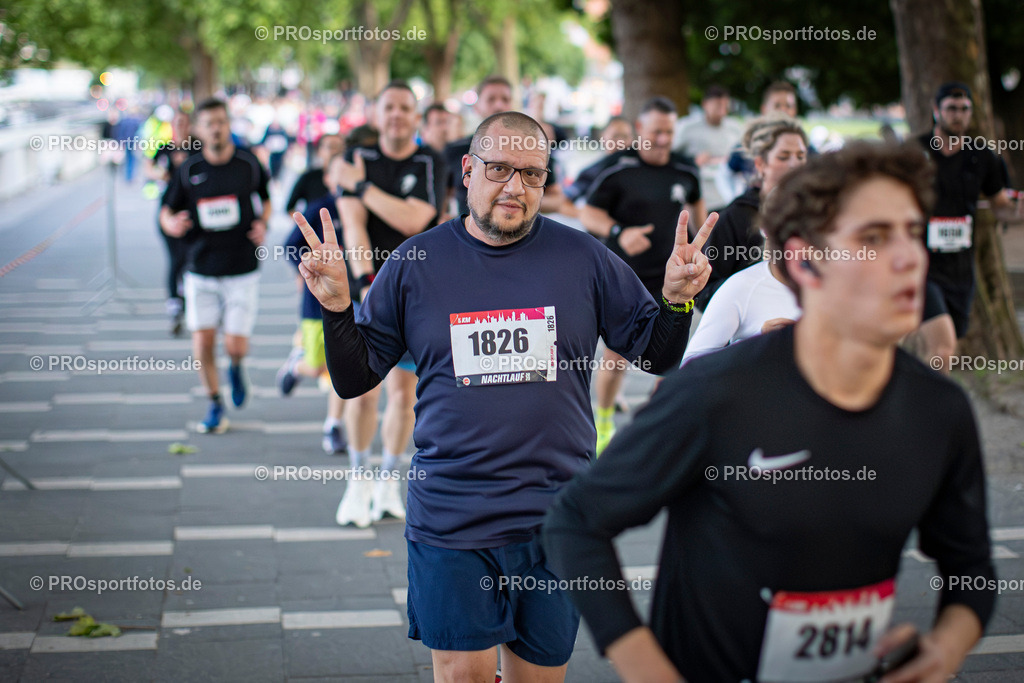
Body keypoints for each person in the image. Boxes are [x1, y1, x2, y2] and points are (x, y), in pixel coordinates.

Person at [543, 142, 996, 683]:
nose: (907, 257)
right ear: (804, 260)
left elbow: (971, 568)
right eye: (872, 238)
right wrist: (648, 669)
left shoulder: (937, 409)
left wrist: (944, 648)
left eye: (910, 232)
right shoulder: (717, 393)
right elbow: (575, 522)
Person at [290, 110, 716, 683]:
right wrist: (338, 308)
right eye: (499, 169)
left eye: (533, 174)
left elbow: (656, 353)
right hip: (452, 518)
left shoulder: (582, 257)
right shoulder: (417, 263)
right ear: (467, 170)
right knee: (462, 675)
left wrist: (675, 300)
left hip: (554, 517)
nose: (515, 186)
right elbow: (355, 377)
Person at [332, 80, 446, 527]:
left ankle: (387, 480)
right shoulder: (356, 159)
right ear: (377, 115)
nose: (397, 115)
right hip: (368, 284)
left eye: (405, 108)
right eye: (389, 108)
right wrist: (364, 283)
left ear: (415, 116)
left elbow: (416, 218)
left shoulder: (429, 160)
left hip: (418, 291)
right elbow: (354, 226)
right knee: (363, 392)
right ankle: (357, 480)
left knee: (403, 395)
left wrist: (362, 188)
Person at [580, 96, 707, 453]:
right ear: (639, 130)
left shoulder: (685, 170)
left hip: (669, 280)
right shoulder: (618, 168)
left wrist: (700, 248)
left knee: (672, 354)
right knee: (617, 356)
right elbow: (589, 215)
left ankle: (654, 424)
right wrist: (620, 232)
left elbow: (698, 211)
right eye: (656, 132)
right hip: (625, 276)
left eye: (669, 132)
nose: (663, 139)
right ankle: (603, 423)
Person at [160, 98, 271, 433]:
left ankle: (236, 366)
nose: (217, 128)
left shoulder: (248, 163)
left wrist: (264, 224)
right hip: (201, 267)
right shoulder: (189, 168)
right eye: (209, 123)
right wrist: (171, 224)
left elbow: (266, 199)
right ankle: (214, 403)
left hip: (241, 267)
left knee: (235, 345)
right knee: (203, 343)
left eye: (222, 121)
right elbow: (166, 210)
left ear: (228, 124)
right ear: (199, 129)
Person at [915, 81, 1023, 370]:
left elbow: (1002, 208)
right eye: (951, 108)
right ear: (936, 111)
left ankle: (922, 402)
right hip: (921, 266)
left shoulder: (982, 156)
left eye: (964, 109)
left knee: (945, 347)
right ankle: (932, 411)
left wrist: (1018, 211)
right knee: (942, 347)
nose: (958, 115)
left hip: (961, 269)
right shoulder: (915, 152)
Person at [277, 152, 349, 455]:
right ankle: (298, 365)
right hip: (317, 302)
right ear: (328, 179)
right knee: (320, 365)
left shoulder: (366, 208)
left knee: (345, 367)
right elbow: (290, 245)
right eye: (339, 174)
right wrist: (307, 269)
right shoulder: (321, 209)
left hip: (356, 300)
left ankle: (333, 425)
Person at [698, 115, 809, 309]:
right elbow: (703, 292)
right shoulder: (736, 216)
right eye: (784, 156)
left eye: (800, 156)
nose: (794, 164)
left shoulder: (816, 213)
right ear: (760, 164)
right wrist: (755, 284)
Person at [444, 76, 565, 217]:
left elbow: (557, 200)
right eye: (491, 99)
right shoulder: (455, 149)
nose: (499, 105)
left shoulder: (532, 149)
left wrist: (519, 199)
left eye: (505, 99)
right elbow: (442, 198)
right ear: (477, 107)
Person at [146, 108, 197, 337]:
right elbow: (149, 166)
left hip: (193, 212)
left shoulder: (197, 146)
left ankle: (189, 299)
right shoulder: (165, 147)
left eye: (184, 123)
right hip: (169, 208)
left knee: (190, 259)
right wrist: (162, 175)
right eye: (176, 123)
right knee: (175, 259)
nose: (180, 127)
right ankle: (175, 305)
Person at [673, 85, 743, 211]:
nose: (722, 111)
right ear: (705, 104)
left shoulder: (735, 128)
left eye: (725, 106)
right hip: (700, 194)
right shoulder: (687, 128)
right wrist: (692, 160)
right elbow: (671, 155)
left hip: (728, 194)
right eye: (717, 106)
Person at [286, 134, 344, 215]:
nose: (336, 151)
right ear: (319, 151)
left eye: (340, 147)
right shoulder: (309, 177)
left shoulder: (350, 179)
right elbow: (290, 208)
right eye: (331, 146)